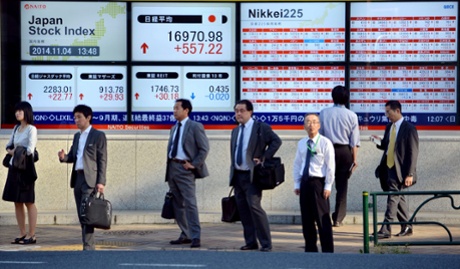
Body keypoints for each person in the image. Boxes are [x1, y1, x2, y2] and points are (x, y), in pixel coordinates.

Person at [229, 100, 282, 252]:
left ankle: (266, 243)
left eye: (241, 111)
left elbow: (276, 141)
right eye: (236, 111)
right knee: (243, 209)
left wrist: (264, 157)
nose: (238, 114)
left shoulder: (260, 127)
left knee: (254, 207)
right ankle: (250, 242)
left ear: (250, 112)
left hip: (253, 176)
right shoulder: (236, 131)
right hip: (238, 176)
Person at [58, 104, 107, 250]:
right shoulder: (77, 136)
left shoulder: (98, 135)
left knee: (87, 213)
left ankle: (88, 246)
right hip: (77, 178)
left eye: (79, 117)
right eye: (75, 117)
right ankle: (87, 244)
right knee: (82, 214)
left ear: (88, 117)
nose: (76, 120)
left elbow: (102, 160)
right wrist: (63, 157)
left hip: (90, 180)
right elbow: (73, 156)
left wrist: (101, 182)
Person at [371, 100, 419, 239]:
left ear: (397, 111)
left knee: (393, 197)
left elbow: (413, 152)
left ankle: (386, 228)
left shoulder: (409, 128)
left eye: (388, 112)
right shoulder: (389, 127)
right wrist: (378, 141)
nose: (387, 115)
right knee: (398, 197)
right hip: (387, 167)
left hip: (400, 169)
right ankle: (407, 226)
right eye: (386, 112)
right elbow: (387, 145)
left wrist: (410, 173)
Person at [166, 98, 209, 248]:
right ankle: (186, 234)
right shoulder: (174, 128)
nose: (174, 111)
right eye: (173, 108)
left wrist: (193, 165)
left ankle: (196, 236)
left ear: (186, 110)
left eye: (177, 108)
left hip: (185, 169)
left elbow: (204, 148)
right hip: (172, 167)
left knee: (190, 203)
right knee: (177, 204)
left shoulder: (195, 126)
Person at [293, 114, 335, 253]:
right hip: (305, 182)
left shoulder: (325, 142)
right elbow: (297, 164)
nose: (311, 125)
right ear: (304, 125)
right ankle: (310, 249)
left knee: (322, 219)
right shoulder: (301, 143)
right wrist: (297, 183)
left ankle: (327, 250)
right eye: (308, 122)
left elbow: (330, 166)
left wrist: (328, 185)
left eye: (314, 122)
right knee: (307, 219)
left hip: (319, 183)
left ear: (319, 125)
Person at [319, 85, 360, 227]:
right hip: (345, 152)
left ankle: (324, 216)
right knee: (342, 187)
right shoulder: (352, 115)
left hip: (327, 150)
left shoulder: (323, 113)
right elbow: (354, 141)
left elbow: (321, 136)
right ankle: (338, 218)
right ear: (347, 98)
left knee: (325, 183)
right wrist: (354, 159)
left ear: (332, 97)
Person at [2, 101, 38, 245]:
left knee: (29, 201)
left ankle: (32, 235)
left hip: (26, 169)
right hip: (14, 167)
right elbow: (7, 145)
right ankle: (22, 233)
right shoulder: (16, 128)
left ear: (27, 112)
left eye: (20, 111)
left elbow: (30, 150)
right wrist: (14, 151)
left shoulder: (32, 129)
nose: (17, 113)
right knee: (17, 202)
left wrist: (14, 151)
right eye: (16, 111)